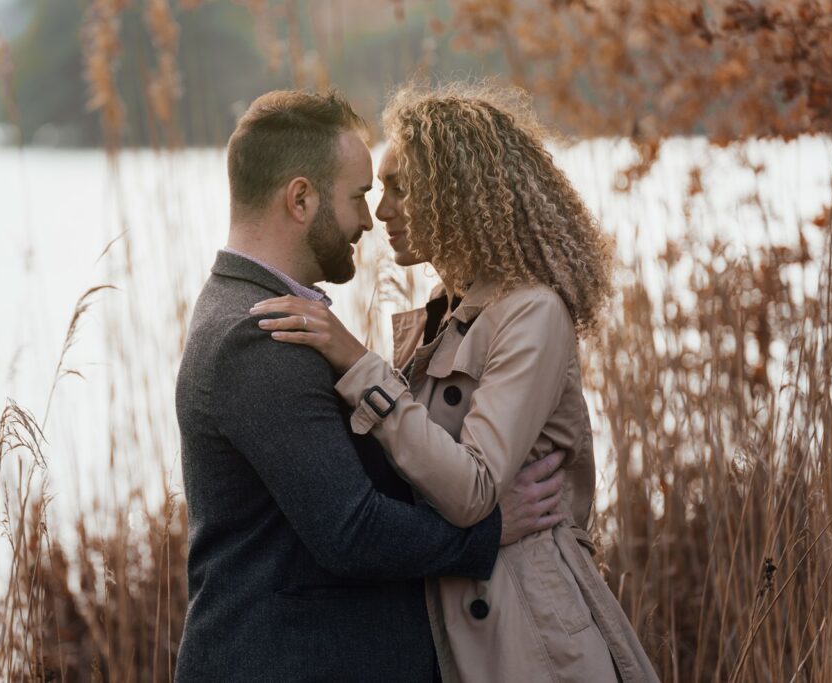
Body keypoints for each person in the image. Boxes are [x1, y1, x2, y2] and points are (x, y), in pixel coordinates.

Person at [252, 83, 660, 682]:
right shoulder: (441, 318)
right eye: (379, 190)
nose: (379, 212)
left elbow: (471, 488)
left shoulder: (532, 313)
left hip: (532, 637)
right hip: (460, 630)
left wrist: (354, 359)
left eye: (400, 188)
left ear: (457, 194)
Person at [174, 89, 569, 682]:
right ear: (301, 199)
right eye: (359, 196)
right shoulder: (258, 333)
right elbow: (351, 530)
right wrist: (488, 532)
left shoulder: (274, 315)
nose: (370, 218)